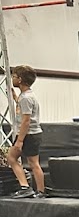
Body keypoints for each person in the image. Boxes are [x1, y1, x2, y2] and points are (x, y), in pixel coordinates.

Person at [6, 65, 45, 199]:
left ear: (20, 80)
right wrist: (15, 97)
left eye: (14, 77)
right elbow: (24, 107)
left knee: (11, 158)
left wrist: (20, 141)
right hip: (34, 133)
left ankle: (25, 187)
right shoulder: (27, 96)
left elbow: (26, 121)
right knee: (34, 163)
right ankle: (40, 191)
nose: (12, 79)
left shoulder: (25, 98)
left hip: (28, 134)